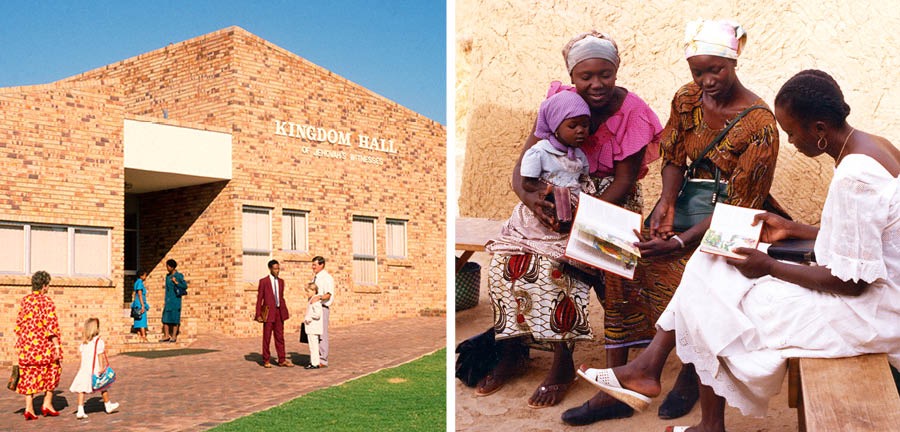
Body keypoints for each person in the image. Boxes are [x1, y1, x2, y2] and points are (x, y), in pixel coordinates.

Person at [579, 69, 900, 432]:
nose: (791, 142)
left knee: (715, 299)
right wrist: (794, 229)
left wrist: (767, 266)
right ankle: (651, 371)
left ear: (821, 130)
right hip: (873, 292)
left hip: (871, 311)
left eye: (793, 132)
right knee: (710, 258)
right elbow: (872, 235)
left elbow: (851, 282)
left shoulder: (855, 177)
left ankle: (665, 385)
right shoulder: (875, 145)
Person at [562, 19, 784, 424]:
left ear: (734, 61)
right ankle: (618, 381)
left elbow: (741, 209)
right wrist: (665, 204)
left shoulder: (759, 125)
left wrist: (682, 241)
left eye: (715, 69)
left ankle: (688, 373)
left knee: (685, 269)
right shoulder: (687, 99)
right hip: (680, 204)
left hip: (727, 219)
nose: (706, 81)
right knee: (617, 252)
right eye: (697, 71)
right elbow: (674, 158)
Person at [478, 30, 663, 411]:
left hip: (610, 205)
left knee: (561, 268)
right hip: (554, 203)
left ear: (617, 70)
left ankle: (562, 364)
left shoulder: (633, 113)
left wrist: (580, 218)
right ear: (572, 75)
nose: (596, 84)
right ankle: (513, 349)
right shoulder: (561, 102)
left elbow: (625, 181)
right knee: (504, 264)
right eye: (586, 76)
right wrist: (532, 200)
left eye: (605, 74)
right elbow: (524, 163)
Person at [487, 90, 592, 259]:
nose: (580, 131)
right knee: (542, 252)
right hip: (542, 210)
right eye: (572, 126)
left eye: (585, 125)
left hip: (569, 213)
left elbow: (583, 180)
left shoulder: (579, 155)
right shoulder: (540, 152)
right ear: (555, 126)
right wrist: (551, 190)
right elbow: (527, 183)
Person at [15, 270, 62, 420]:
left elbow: (19, 324)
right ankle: (47, 403)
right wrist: (56, 346)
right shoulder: (47, 302)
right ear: (44, 286)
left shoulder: (25, 300)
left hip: (27, 346)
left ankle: (29, 408)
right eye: (47, 285)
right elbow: (51, 326)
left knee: (29, 374)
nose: (48, 288)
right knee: (53, 370)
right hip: (43, 346)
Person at [69, 317, 119, 419]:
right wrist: (101, 367)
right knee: (103, 387)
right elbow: (100, 355)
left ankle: (80, 410)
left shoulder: (84, 343)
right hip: (94, 368)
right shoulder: (98, 341)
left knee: (81, 390)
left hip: (84, 369)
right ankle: (108, 405)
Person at [256, 259, 293, 367]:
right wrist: (258, 314)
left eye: (278, 268)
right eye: (275, 269)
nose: (277, 271)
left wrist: (284, 311)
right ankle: (266, 360)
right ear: (270, 269)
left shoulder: (281, 282)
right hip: (268, 313)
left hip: (279, 312)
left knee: (280, 337)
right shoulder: (264, 281)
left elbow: (281, 297)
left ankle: (282, 360)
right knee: (267, 337)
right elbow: (259, 299)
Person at [311, 256, 334, 368]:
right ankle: (316, 357)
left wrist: (319, 298)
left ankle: (323, 359)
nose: (313, 267)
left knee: (322, 334)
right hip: (314, 308)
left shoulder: (327, 278)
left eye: (315, 265)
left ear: (322, 265)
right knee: (315, 333)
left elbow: (328, 294)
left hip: (322, 308)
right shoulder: (315, 278)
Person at [160, 259, 187, 343]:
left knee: (175, 318)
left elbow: (185, 286)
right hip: (168, 300)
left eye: (168, 266)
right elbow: (167, 289)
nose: (167, 268)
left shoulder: (179, 275)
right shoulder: (167, 276)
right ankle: (166, 336)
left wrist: (176, 282)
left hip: (176, 300)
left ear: (172, 267)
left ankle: (174, 336)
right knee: (165, 318)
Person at [303, 282, 324, 369]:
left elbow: (317, 314)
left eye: (308, 291)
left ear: (314, 291)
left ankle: (314, 363)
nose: (307, 293)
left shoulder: (315, 302)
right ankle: (314, 361)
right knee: (313, 345)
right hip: (311, 327)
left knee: (313, 346)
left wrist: (309, 317)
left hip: (313, 327)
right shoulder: (311, 300)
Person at [132, 270, 149, 342]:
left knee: (138, 318)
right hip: (140, 303)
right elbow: (139, 294)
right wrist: (142, 305)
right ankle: (143, 335)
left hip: (137, 303)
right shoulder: (139, 283)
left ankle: (139, 334)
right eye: (145, 275)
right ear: (141, 276)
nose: (145, 277)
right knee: (142, 319)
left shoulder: (137, 282)